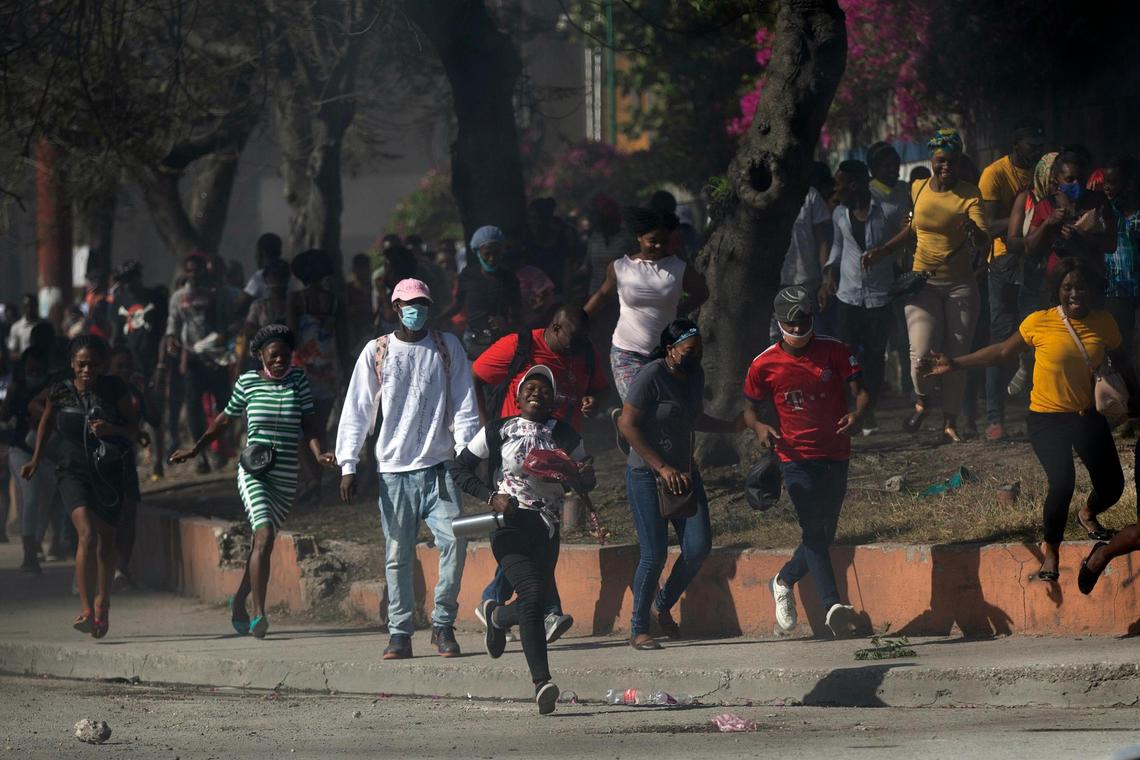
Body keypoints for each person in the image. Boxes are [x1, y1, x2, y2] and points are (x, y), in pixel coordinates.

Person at [925, 258, 1126, 581]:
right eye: (1068, 287)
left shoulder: (1105, 323)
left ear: (1092, 290)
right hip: (1047, 419)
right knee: (1062, 483)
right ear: (1057, 291)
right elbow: (1003, 352)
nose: (1075, 293)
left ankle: (1087, 513)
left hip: (1087, 416)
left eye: (1081, 287)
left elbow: (1122, 359)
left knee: (1112, 486)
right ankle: (1052, 553)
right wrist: (955, 363)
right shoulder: (1039, 322)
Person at [335, 278, 479, 659]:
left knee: (454, 542)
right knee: (398, 553)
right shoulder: (377, 351)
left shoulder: (446, 346)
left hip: (440, 469)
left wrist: (468, 454)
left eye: (423, 304)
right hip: (394, 472)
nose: (417, 310)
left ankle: (442, 625)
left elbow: (465, 402)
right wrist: (348, 462)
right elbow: (358, 408)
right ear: (395, 308)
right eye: (409, 304)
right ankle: (399, 632)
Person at [170, 325, 335, 637]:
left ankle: (239, 602)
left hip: (286, 473)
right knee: (263, 535)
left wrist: (319, 454)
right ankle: (260, 612)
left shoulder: (298, 379)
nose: (280, 362)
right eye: (274, 356)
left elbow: (309, 422)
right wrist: (195, 449)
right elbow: (223, 420)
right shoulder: (247, 382)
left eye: (286, 356)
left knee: (265, 542)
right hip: (254, 471)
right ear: (260, 356)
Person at [452, 365, 595, 714]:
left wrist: (583, 475)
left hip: (546, 528)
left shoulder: (564, 433)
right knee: (532, 593)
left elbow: (585, 477)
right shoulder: (499, 430)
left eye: (544, 389)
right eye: (529, 388)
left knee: (534, 598)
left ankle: (498, 617)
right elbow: (458, 468)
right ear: (517, 397)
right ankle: (542, 683)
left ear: (554, 399)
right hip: (509, 523)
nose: (536, 393)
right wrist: (490, 496)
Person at [470, 306, 607, 639]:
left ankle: (494, 603)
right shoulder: (520, 346)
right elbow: (475, 374)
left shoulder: (584, 351)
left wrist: (593, 401)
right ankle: (547, 612)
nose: (577, 346)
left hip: (557, 459)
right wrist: (485, 429)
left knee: (540, 533)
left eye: (582, 340)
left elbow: (600, 389)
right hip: (513, 462)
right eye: (572, 339)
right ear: (555, 328)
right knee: (532, 532)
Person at [745, 286, 870, 638]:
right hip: (794, 457)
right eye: (791, 324)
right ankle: (832, 604)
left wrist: (857, 414)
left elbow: (862, 392)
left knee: (825, 531)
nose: (798, 331)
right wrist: (758, 426)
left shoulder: (836, 350)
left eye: (804, 323)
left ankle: (783, 580)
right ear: (779, 322)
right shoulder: (763, 364)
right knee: (813, 529)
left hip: (836, 452)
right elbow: (749, 410)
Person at [617, 319, 741, 650]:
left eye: (699, 350)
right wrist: (661, 466)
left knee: (698, 547)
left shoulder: (694, 376)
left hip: (684, 475)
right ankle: (639, 627)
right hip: (647, 474)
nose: (695, 356)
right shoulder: (651, 376)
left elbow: (692, 417)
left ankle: (662, 604)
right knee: (654, 554)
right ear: (670, 350)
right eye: (689, 350)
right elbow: (626, 424)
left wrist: (730, 428)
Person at [864, 128, 990, 442]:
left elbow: (984, 239)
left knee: (956, 355)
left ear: (960, 162)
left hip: (960, 285)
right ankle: (922, 400)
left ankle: (950, 421)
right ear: (932, 160)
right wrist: (883, 250)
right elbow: (912, 231)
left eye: (953, 161)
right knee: (920, 351)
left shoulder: (970, 194)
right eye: (940, 160)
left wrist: (974, 230)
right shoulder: (918, 188)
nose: (946, 167)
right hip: (923, 282)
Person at [21, 335, 139, 638]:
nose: (88, 370)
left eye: (94, 364)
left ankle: (104, 602)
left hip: (107, 473)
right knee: (86, 533)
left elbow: (134, 427)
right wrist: (35, 460)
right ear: (72, 364)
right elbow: (46, 421)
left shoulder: (113, 389)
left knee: (106, 542)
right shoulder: (61, 389)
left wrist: (111, 429)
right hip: (71, 471)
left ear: (103, 365)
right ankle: (86, 609)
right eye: (82, 364)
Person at [585, 206, 709, 404]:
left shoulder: (679, 269)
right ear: (639, 237)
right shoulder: (620, 267)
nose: (659, 246)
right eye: (653, 241)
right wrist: (581, 319)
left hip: (665, 356)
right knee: (638, 407)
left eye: (664, 242)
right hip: (626, 352)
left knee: (663, 410)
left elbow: (702, 293)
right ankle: (624, 424)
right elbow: (601, 295)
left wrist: (680, 311)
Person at [820, 160, 905, 433]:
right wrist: (829, 273)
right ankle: (857, 402)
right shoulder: (839, 215)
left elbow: (907, 236)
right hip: (849, 295)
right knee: (846, 352)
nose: (835, 190)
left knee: (875, 355)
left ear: (853, 185)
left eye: (839, 184)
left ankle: (868, 411)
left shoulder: (888, 211)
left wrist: (886, 253)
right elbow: (837, 245)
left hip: (880, 295)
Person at [980, 125, 1049, 440]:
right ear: (1015, 143)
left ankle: (1039, 412)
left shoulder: (1044, 171)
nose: (1035, 149)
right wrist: (1027, 217)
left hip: (1035, 263)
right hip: (1004, 264)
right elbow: (987, 226)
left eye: (1039, 143)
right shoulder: (995, 174)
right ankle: (995, 417)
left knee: (1038, 337)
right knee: (1000, 340)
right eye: (1030, 143)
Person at [165, 252, 236, 473]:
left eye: (198, 269)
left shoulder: (217, 293)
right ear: (185, 272)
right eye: (190, 269)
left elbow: (229, 321)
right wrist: (171, 339)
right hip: (193, 359)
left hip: (217, 358)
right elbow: (173, 324)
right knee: (194, 408)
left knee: (225, 405)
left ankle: (223, 449)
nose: (194, 274)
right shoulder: (179, 297)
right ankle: (201, 454)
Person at [288, 249, 348, 503]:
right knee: (320, 426)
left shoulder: (296, 300)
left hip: (301, 368)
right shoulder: (334, 301)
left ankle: (312, 478)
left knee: (301, 427)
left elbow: (290, 335)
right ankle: (319, 477)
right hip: (327, 369)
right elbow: (344, 339)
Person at [1026, 150, 1115, 284]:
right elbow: (1030, 246)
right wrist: (1048, 223)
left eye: (1081, 179)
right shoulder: (1045, 205)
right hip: (1057, 282)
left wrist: (1083, 236)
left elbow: (1111, 244)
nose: (1076, 184)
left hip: (1091, 279)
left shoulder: (1099, 202)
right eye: (1069, 180)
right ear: (1057, 179)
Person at [3, 348, 51, 572]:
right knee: (30, 497)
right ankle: (29, 553)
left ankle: (37, 542)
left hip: (48, 451)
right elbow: (3, 416)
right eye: (31, 369)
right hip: (21, 449)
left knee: (47, 496)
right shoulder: (17, 388)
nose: (35, 373)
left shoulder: (52, 388)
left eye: (39, 369)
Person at [770, 175, 834, 342]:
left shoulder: (810, 195)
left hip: (805, 282)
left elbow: (822, 241)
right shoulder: (765, 197)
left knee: (805, 336)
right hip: (773, 283)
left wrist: (825, 279)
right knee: (776, 338)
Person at [448, 226, 522, 360]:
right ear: (477, 252)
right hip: (473, 341)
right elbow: (458, 305)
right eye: (487, 254)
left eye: (496, 253)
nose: (492, 258)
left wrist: (507, 325)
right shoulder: (468, 275)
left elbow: (518, 313)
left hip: (501, 339)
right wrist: (438, 319)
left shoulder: (510, 278)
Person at [1101, 156, 1140, 373]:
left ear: (1130, 184)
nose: (1107, 186)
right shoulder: (1105, 210)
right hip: (1115, 289)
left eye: (1113, 182)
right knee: (1118, 346)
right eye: (1105, 181)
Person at [345, 252, 376, 352]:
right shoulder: (348, 290)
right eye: (360, 269)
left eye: (365, 269)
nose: (363, 273)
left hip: (372, 335)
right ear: (355, 270)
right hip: (353, 336)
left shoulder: (375, 289)